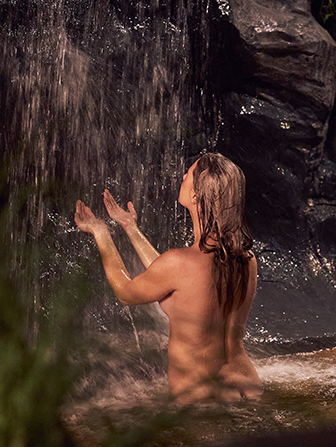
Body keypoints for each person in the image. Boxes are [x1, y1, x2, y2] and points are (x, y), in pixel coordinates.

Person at [74, 153, 263, 403]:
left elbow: (125, 292)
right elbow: (174, 279)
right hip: (248, 386)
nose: (183, 176)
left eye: (189, 173)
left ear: (196, 195)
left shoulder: (180, 264)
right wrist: (130, 228)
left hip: (203, 399)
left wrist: (101, 231)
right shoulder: (246, 260)